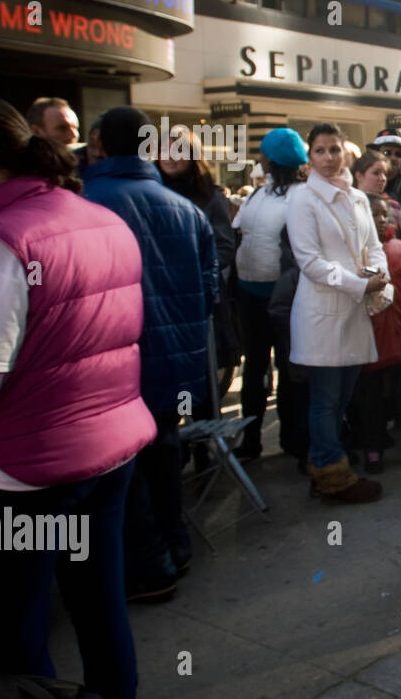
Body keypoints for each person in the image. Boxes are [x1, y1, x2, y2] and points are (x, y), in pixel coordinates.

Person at [0, 96, 156, 699]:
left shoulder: (1, 239)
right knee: (99, 606)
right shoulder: (97, 218)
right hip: (109, 451)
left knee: (18, 631)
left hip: (26, 469)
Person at [81, 106, 218, 602]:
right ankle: (176, 546)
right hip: (174, 360)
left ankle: (151, 565)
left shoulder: (86, 202)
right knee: (162, 452)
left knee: (126, 465)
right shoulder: (185, 209)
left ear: (98, 144)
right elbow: (210, 289)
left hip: (116, 365)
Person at [286, 121, 389, 503]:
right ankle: (332, 475)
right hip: (322, 314)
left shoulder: (358, 198)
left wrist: (382, 276)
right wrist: (361, 284)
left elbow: (375, 246)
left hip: (355, 310)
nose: (329, 158)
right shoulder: (301, 199)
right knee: (326, 400)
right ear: (309, 157)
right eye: (320, 151)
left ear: (346, 152)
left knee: (342, 398)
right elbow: (310, 262)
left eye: (334, 149)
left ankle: (324, 467)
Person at [231, 128, 310, 466]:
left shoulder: (300, 197)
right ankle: (251, 440)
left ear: (271, 159)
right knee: (256, 370)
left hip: (284, 299)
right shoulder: (257, 194)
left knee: (288, 368)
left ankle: (291, 439)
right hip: (250, 295)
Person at [156, 125, 240, 421]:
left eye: (178, 150)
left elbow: (224, 247)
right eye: (163, 150)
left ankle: (206, 447)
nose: (169, 157)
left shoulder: (210, 196)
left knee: (203, 380)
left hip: (198, 301)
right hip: (159, 305)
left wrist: (191, 273)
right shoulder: (152, 191)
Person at [348, 195, 401, 473]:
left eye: (383, 215)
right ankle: (373, 449)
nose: (380, 220)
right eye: (374, 214)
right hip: (370, 343)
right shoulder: (356, 256)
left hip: (400, 337)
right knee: (370, 402)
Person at [352, 149, 401, 256]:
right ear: (359, 176)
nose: (383, 178)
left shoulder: (394, 206)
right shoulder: (348, 204)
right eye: (376, 173)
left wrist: (397, 255)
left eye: (385, 174)